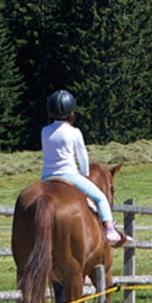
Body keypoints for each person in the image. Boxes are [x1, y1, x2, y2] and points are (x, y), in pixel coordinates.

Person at [40, 89, 124, 245]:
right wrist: (84, 175)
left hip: (46, 177)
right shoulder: (75, 132)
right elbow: (83, 157)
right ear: (71, 111)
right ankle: (110, 230)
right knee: (101, 198)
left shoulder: (44, 131)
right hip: (69, 175)